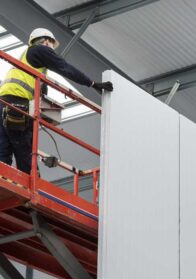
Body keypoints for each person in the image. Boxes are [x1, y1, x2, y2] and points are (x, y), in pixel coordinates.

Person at [0, 28, 113, 174]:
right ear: (47, 41)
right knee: (25, 153)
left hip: (3, 103)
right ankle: (31, 188)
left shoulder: (27, 58)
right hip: (17, 105)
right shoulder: (40, 50)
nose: (52, 50)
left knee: (3, 152)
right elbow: (64, 67)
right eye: (52, 45)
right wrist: (91, 83)